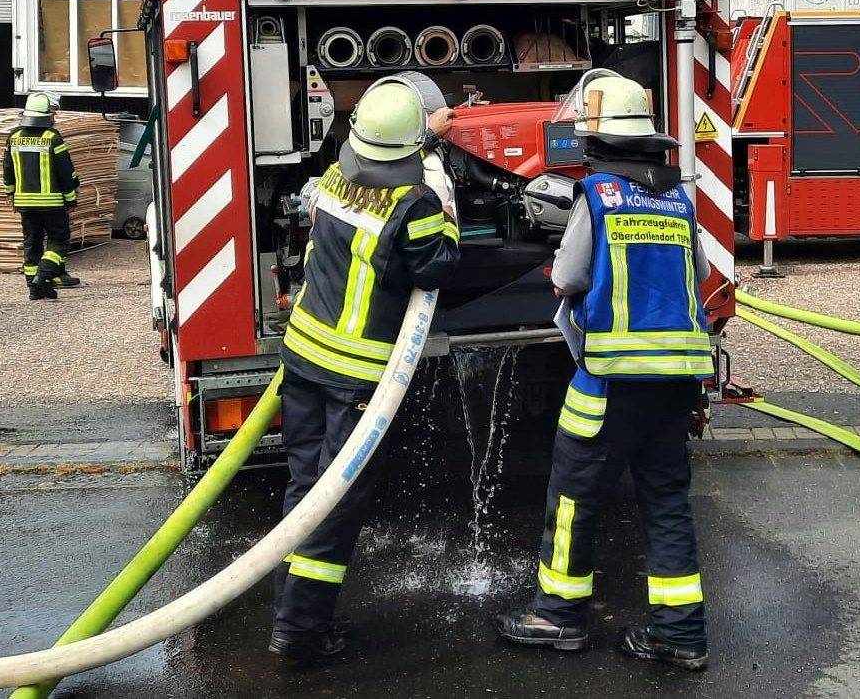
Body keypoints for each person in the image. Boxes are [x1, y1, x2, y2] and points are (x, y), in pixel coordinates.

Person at [495, 74, 712, 671]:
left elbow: (567, 278)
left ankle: (558, 616)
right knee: (667, 502)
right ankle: (680, 632)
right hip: (676, 387)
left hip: (609, 385)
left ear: (596, 144)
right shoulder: (677, 201)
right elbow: (695, 276)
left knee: (574, 499)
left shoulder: (596, 197)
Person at [270, 78, 461, 663]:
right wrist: (449, 215)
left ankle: (291, 615)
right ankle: (302, 633)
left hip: (303, 357)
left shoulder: (332, 180)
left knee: (306, 487)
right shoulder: (417, 203)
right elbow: (436, 269)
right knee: (336, 502)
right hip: (356, 377)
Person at [3, 94, 79, 301]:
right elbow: (65, 172)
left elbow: (7, 169)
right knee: (58, 241)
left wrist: (10, 194)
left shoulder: (14, 137)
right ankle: (42, 277)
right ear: (47, 115)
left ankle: (33, 287)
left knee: (32, 242)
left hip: (24, 203)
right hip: (52, 202)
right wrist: (71, 197)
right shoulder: (53, 138)